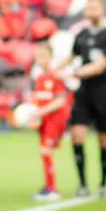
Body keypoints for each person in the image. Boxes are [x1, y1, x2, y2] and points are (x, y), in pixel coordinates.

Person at [66, 0, 106, 199]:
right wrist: (53, 69)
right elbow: (71, 57)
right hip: (84, 92)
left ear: (102, 9)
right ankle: (82, 184)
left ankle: (103, 184)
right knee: (77, 134)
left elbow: (101, 65)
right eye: (88, 7)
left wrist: (77, 72)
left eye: (94, 6)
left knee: (103, 138)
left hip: (103, 92)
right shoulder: (81, 34)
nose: (90, 10)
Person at [25, 42, 74, 201]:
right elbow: (39, 100)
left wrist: (40, 112)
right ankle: (48, 186)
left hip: (55, 119)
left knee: (45, 150)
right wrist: (34, 114)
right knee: (44, 151)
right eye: (37, 57)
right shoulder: (39, 78)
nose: (39, 60)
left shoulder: (55, 76)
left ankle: (52, 189)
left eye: (42, 56)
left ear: (50, 57)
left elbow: (60, 101)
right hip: (44, 120)